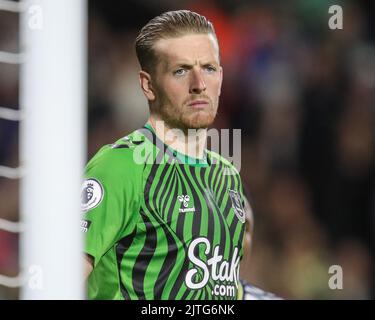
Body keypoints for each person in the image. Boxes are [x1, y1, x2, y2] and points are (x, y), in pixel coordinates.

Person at [82, 10, 247, 300]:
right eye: (180, 71)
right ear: (148, 85)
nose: (199, 84)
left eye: (208, 68)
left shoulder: (228, 175)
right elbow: (56, 281)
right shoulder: (120, 167)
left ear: (220, 76)